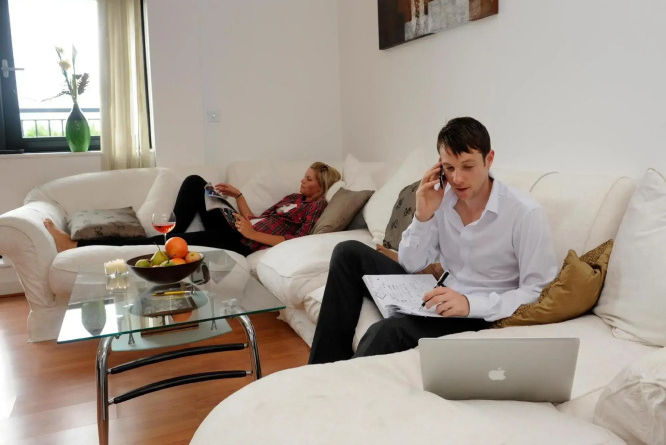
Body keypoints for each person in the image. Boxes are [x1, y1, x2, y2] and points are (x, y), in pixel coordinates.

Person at [308, 117, 558, 364]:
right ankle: (321, 370)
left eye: (468, 166)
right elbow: (411, 264)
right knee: (348, 252)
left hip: (478, 314)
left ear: (489, 159)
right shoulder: (442, 200)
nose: (457, 179)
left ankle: (340, 384)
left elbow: (538, 291)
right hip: (438, 292)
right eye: (449, 168)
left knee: (385, 332)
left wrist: (470, 304)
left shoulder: (524, 212)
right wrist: (423, 215)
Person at [44, 162, 341, 257]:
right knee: (196, 182)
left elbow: (296, 239)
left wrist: (251, 234)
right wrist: (237, 196)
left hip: (241, 240)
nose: (302, 181)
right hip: (238, 225)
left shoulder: (316, 208)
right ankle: (172, 232)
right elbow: (255, 218)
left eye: (309, 179)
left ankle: (74, 244)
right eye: (304, 176)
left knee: (162, 242)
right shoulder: (294, 198)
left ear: (322, 185)